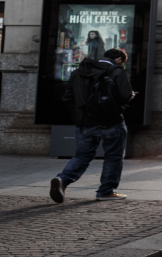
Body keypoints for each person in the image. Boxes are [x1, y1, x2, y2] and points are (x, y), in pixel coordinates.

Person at [50, 48, 134, 203]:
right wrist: (131, 96)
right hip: (111, 122)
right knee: (113, 156)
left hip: (84, 123)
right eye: (123, 62)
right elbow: (126, 95)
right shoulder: (117, 71)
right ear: (119, 59)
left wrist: (78, 116)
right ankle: (105, 191)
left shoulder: (79, 71)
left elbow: (67, 97)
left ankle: (62, 179)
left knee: (82, 155)